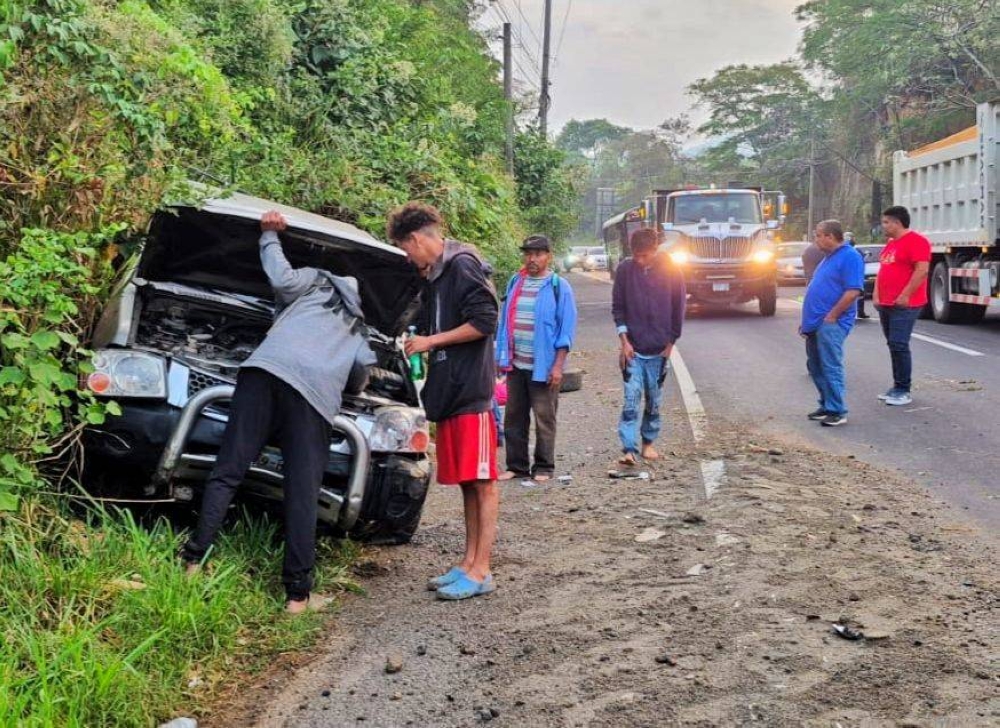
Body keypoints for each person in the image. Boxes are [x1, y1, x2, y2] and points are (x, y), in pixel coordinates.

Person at [182, 211, 377, 614]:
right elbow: (360, 378)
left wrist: (269, 235)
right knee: (302, 494)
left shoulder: (316, 280)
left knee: (228, 470)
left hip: (263, 372)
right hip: (312, 399)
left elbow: (282, 279)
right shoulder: (359, 330)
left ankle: (193, 562)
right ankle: (297, 597)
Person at [389, 202, 501, 601]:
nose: (408, 258)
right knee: (468, 483)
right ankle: (468, 563)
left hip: (471, 391)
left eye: (405, 249)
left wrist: (431, 341)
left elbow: (486, 321)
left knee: (483, 482)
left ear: (417, 239)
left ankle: (482, 570)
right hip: (451, 392)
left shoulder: (463, 265)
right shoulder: (436, 275)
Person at [495, 235, 578, 482]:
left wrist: (558, 366)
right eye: (528, 254)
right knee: (514, 417)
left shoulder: (558, 286)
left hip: (544, 367)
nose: (532, 259)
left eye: (538, 254)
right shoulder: (516, 282)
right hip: (516, 363)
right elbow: (504, 323)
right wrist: (501, 357)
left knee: (544, 418)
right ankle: (517, 466)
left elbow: (566, 331)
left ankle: (544, 466)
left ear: (548, 256)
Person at [611, 228, 686, 466]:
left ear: (655, 250)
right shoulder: (625, 270)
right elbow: (618, 307)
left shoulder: (672, 270)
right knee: (631, 399)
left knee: (654, 399)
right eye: (636, 255)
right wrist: (624, 341)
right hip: (633, 348)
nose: (640, 260)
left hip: (659, 348)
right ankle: (628, 448)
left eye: (644, 255)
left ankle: (648, 443)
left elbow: (678, 308)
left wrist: (671, 343)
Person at [799, 220, 864, 427]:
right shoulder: (827, 258)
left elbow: (853, 291)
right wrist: (806, 323)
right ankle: (827, 404)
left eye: (818, 235)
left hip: (831, 323)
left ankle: (837, 410)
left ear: (830, 236)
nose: (816, 240)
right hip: (815, 323)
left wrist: (833, 315)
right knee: (816, 366)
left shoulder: (850, 256)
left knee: (830, 366)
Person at [873, 205, 931, 406]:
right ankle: (896, 386)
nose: (883, 226)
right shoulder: (891, 244)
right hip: (886, 303)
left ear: (897, 222)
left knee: (899, 344)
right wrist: (876, 294)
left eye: (886, 222)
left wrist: (906, 295)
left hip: (905, 304)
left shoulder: (917, 241)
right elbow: (883, 270)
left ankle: (903, 389)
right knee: (893, 344)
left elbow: (922, 271)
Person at [845, 231, 870, 318]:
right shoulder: (855, 251)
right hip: (856, 277)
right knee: (858, 295)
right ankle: (859, 312)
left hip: (850, 277)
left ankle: (858, 312)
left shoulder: (842, 251)